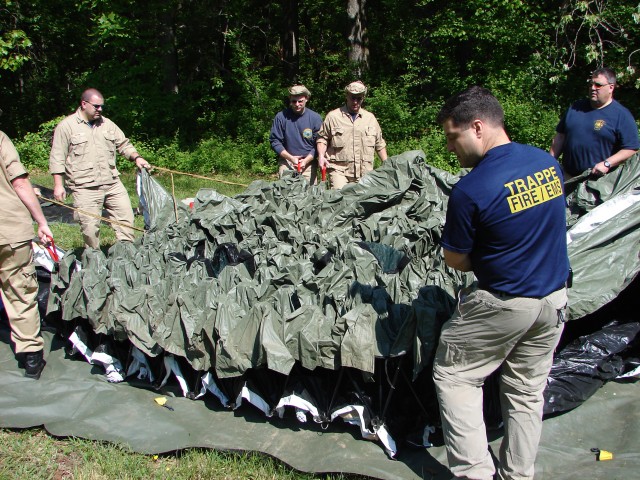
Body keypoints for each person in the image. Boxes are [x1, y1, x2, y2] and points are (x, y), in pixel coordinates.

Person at [432, 86, 570, 480]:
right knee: (527, 392)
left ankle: (475, 473)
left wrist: (493, 257)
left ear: (477, 127)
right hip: (555, 300)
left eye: (452, 137)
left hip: (505, 302)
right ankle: (517, 474)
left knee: (455, 376)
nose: (449, 147)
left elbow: (455, 259)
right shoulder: (546, 163)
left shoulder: (471, 190)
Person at [49, 88, 152, 249]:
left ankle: (126, 256)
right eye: (96, 106)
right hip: (85, 187)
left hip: (112, 183)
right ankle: (94, 259)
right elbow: (57, 157)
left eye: (101, 106)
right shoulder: (66, 127)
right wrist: (58, 185)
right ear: (84, 104)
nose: (100, 110)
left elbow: (123, 144)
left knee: (126, 220)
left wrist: (137, 158)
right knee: (90, 228)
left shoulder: (107, 124)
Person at [1, 127, 53, 379]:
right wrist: (41, 221)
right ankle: (31, 357)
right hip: (8, 229)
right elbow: (19, 182)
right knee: (20, 291)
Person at [550, 67, 640, 178]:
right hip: (568, 177)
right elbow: (560, 137)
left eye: (598, 85)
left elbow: (631, 148)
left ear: (611, 87)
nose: (593, 88)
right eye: (591, 84)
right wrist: (550, 161)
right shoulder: (576, 107)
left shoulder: (621, 115)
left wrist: (607, 163)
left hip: (599, 182)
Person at [316, 81, 388, 189]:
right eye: (352, 98)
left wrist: (387, 164)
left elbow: (379, 144)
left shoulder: (370, 119)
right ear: (347, 96)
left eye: (359, 98)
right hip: (339, 170)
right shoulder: (333, 117)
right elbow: (322, 138)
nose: (355, 102)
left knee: (362, 204)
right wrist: (321, 156)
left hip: (364, 173)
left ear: (363, 98)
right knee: (340, 200)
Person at [269, 84, 322, 184]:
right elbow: (275, 141)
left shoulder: (315, 118)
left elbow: (319, 144)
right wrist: (291, 158)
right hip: (287, 161)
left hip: (308, 163)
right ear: (290, 100)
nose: (297, 104)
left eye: (300, 101)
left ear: (306, 99)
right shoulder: (281, 117)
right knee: (286, 194)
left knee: (309, 196)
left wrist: (305, 161)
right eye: (294, 101)